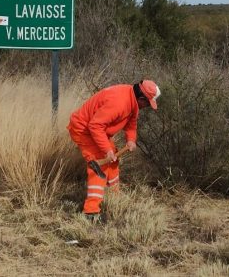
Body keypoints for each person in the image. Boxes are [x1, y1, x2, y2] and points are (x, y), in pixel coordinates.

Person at [67, 79, 160, 220]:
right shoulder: (119, 102)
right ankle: (91, 212)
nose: (147, 107)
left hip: (97, 131)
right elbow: (95, 125)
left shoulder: (132, 100)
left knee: (114, 160)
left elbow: (131, 122)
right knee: (100, 167)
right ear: (141, 98)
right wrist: (106, 150)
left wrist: (130, 140)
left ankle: (114, 196)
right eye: (147, 103)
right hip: (83, 129)